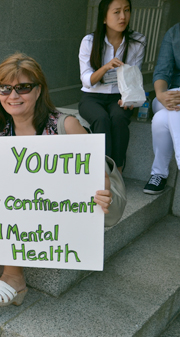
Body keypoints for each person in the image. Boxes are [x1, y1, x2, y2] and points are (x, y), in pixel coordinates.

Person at [0, 53, 119, 306]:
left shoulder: (66, 126)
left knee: (19, 199)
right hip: (24, 204)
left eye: (23, 87)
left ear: (39, 90)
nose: (13, 96)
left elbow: (98, 176)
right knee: (1, 196)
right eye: (5, 88)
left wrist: (103, 192)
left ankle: (14, 277)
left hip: (60, 207)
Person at [78, 0, 145, 173]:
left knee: (118, 118)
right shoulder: (89, 41)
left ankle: (118, 170)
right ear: (104, 18)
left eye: (127, 10)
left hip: (120, 96)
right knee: (101, 119)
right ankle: (104, 171)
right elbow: (86, 80)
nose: (123, 16)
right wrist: (106, 67)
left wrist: (129, 100)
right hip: (92, 96)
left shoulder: (137, 42)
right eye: (117, 12)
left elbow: (134, 78)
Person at [143, 22, 180, 194]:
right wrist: (160, 93)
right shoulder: (174, 32)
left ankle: (158, 173)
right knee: (174, 103)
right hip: (170, 95)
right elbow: (162, 71)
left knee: (160, 120)